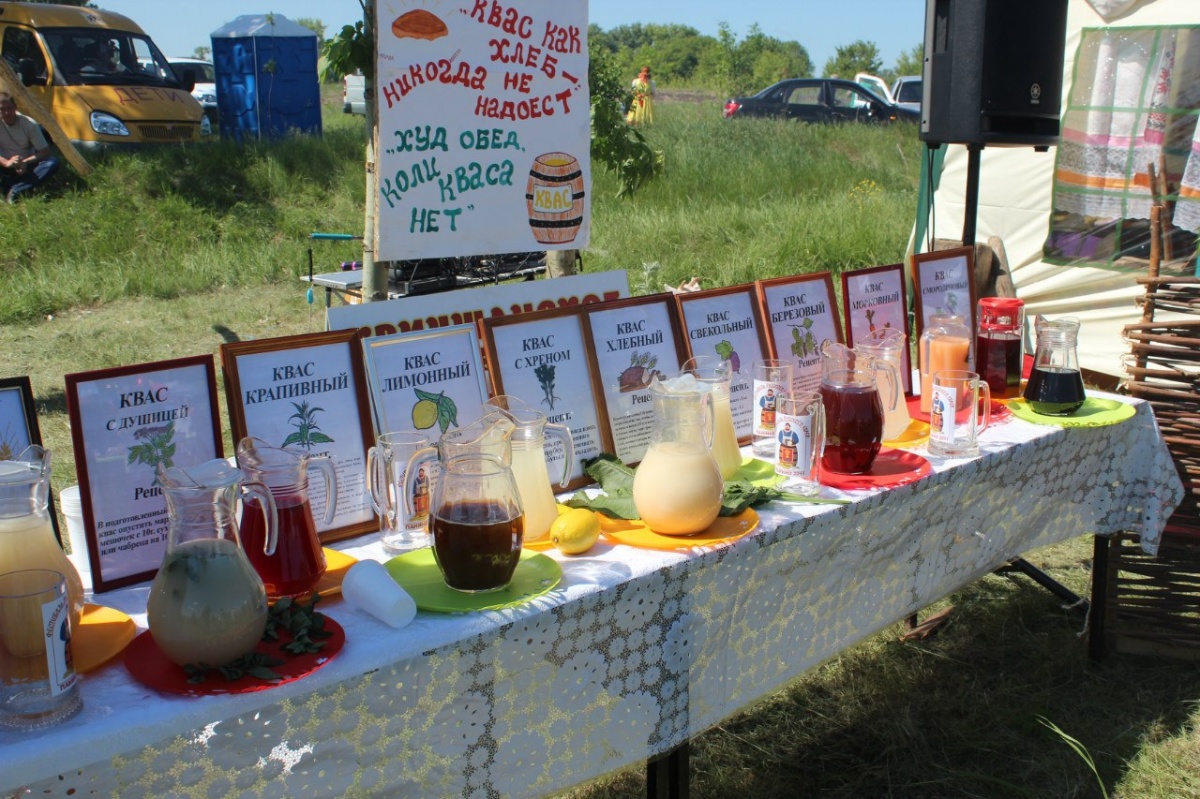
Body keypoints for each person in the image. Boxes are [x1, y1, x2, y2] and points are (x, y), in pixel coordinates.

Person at [0, 93, 59, 203]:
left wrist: (25, 162)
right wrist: (7, 163)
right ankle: (14, 186)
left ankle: (16, 190)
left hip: (27, 164)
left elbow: (45, 151)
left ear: (15, 108)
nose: (6, 113)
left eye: (9, 108)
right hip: (4, 164)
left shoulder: (29, 124)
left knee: (52, 162)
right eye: (2, 109)